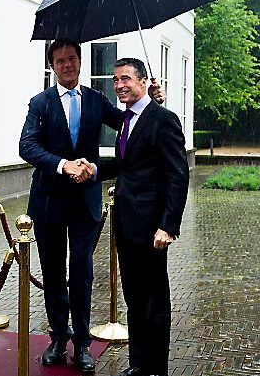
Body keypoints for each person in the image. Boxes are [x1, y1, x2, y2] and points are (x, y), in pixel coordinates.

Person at [19, 40, 162, 374]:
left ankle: (83, 343)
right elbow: (27, 145)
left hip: (85, 203)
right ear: (52, 66)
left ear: (80, 62)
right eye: (60, 61)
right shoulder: (40, 103)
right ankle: (58, 338)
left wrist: (149, 101)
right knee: (53, 273)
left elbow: (130, 122)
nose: (67, 65)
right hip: (49, 202)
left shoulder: (96, 100)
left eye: (72, 59)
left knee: (81, 272)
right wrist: (61, 164)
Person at [85, 57, 188, 376]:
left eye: (126, 78)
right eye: (115, 80)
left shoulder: (163, 119)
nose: (119, 85)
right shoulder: (126, 120)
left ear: (144, 81)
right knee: (134, 297)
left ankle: (156, 368)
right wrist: (93, 169)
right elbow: (126, 166)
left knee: (155, 300)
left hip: (152, 228)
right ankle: (138, 363)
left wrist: (168, 225)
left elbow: (177, 174)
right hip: (126, 224)